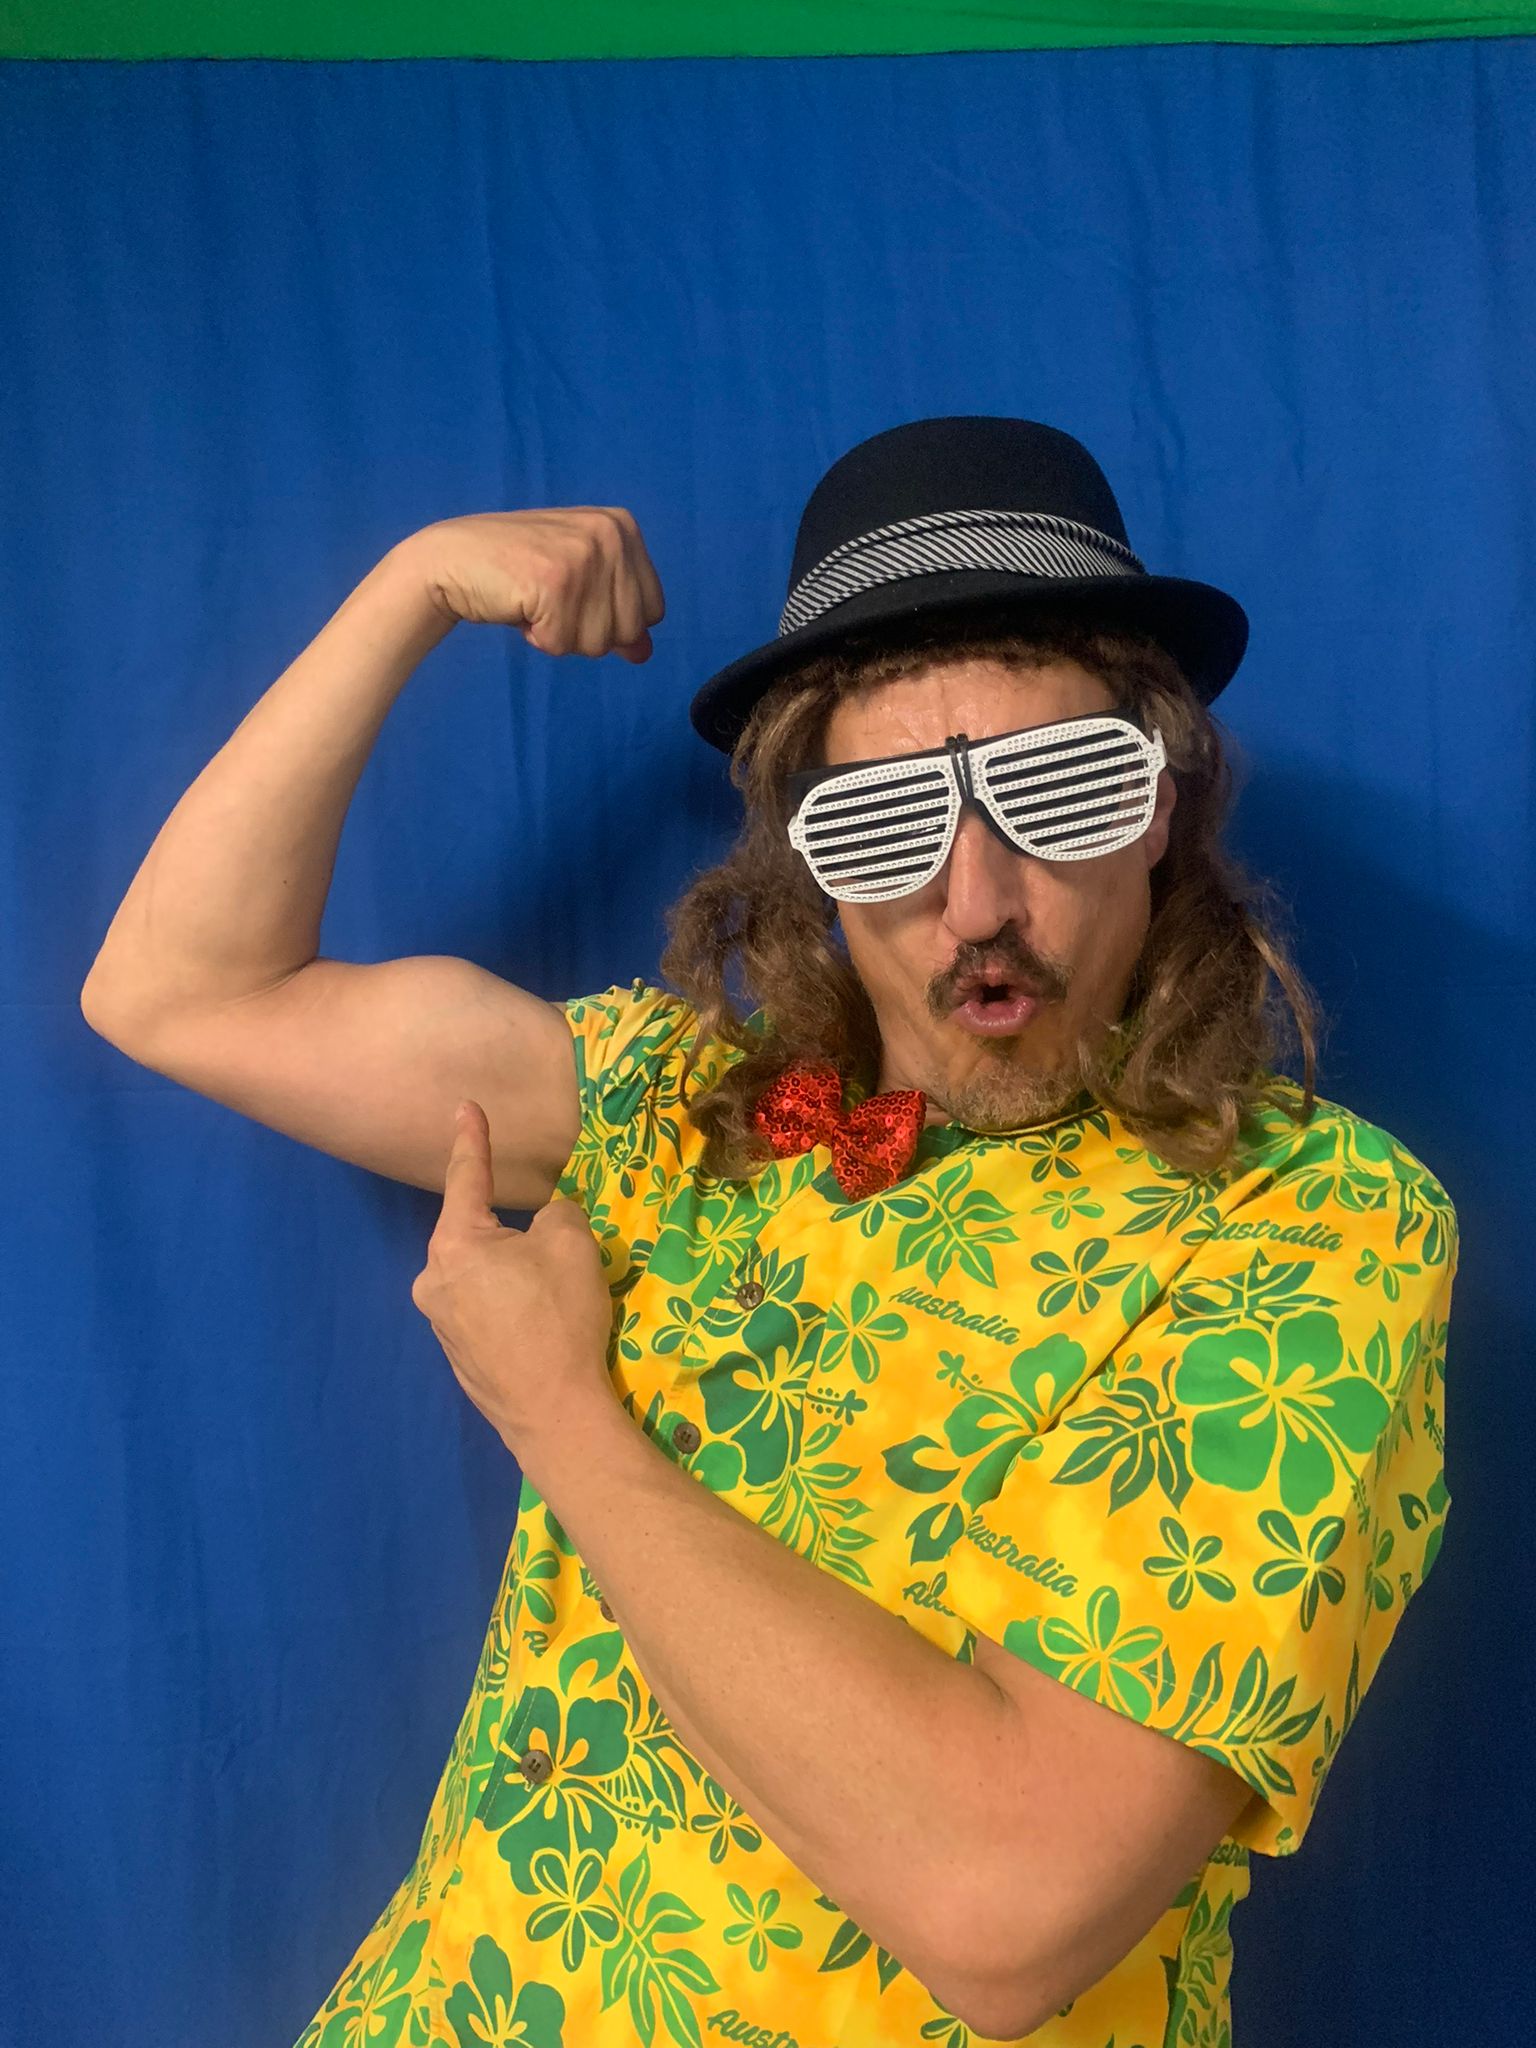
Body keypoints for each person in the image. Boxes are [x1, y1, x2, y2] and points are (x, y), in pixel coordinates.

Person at [81, 416, 1457, 2047]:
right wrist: (409, 588)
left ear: (1157, 809)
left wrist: (560, 1416)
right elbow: (180, 989)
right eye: (885, 825)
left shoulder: (1313, 1228)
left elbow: (1007, 1912)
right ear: (812, 867)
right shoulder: (684, 1111)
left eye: (1058, 793)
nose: (977, 904)